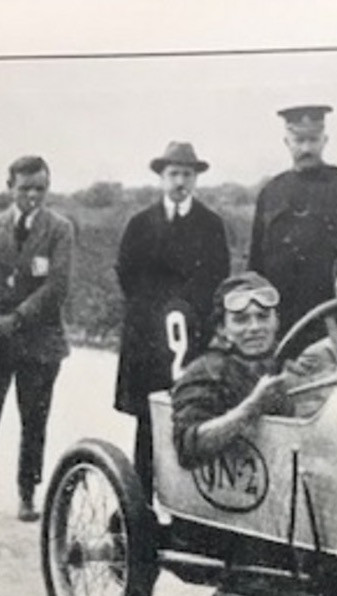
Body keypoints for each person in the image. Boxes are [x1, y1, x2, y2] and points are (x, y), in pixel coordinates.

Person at [0, 155, 75, 521]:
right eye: (25, 188)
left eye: (40, 188)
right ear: (10, 188)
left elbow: (57, 285)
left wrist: (17, 318)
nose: (33, 196)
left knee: (34, 420)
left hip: (40, 344)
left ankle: (28, 492)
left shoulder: (60, 229)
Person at [114, 141, 231, 495]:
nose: (180, 181)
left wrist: (190, 315)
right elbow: (127, 275)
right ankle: (142, 505)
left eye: (187, 174)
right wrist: (153, 314)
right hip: (148, 338)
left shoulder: (210, 225)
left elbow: (217, 278)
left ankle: (188, 509)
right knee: (148, 421)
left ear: (196, 180)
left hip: (191, 338)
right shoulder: (140, 224)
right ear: (162, 178)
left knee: (192, 418)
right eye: (174, 174)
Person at [248, 105, 337, 332]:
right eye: (299, 140)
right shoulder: (271, 193)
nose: (306, 148)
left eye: (313, 139)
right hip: (284, 320)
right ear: (286, 142)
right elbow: (256, 265)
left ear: (324, 140)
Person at [171, 273, 297, 469]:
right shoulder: (206, 371)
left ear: (276, 322)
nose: (255, 327)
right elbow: (187, 448)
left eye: (263, 317)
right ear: (222, 328)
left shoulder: (289, 363)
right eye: (241, 320)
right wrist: (252, 407)